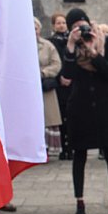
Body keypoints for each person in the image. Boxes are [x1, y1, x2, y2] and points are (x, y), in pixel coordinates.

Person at [61, 7, 108, 214]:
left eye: (83, 25)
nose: (81, 30)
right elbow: (67, 76)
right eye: (75, 27)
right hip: (80, 107)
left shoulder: (106, 42)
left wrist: (94, 53)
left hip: (105, 104)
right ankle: (80, 203)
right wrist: (71, 46)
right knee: (79, 155)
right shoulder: (69, 46)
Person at [35, 17, 63, 157]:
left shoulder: (47, 45)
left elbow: (56, 64)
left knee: (48, 118)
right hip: (28, 87)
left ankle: (47, 148)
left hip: (44, 86)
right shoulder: (20, 44)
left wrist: (43, 72)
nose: (34, 31)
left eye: (36, 28)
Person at [48, 13, 73, 160]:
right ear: (53, 25)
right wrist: (60, 77)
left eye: (63, 23)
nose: (61, 25)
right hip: (59, 84)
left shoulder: (73, 40)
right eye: (58, 23)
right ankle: (63, 148)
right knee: (61, 117)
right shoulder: (51, 42)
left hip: (72, 83)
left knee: (72, 117)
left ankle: (72, 147)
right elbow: (54, 62)